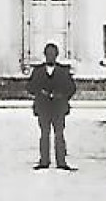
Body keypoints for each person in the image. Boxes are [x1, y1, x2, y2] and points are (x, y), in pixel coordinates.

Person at [27, 42, 77, 170]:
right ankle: (44, 161)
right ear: (45, 55)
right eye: (48, 54)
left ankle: (61, 161)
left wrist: (61, 95)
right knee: (44, 134)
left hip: (58, 108)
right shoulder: (38, 71)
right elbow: (30, 87)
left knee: (59, 134)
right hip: (43, 108)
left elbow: (71, 88)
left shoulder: (63, 71)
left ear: (56, 56)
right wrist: (40, 92)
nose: (50, 57)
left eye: (53, 55)